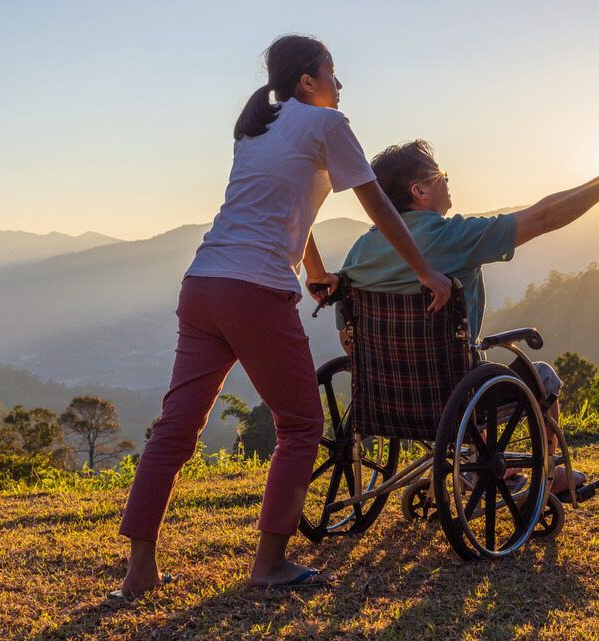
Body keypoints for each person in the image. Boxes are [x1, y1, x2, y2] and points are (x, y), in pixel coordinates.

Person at [113, 36, 451, 598]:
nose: (340, 87)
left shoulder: (258, 128)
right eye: (333, 74)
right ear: (307, 82)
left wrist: (313, 270)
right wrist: (426, 272)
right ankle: (270, 564)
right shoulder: (329, 126)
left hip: (203, 284)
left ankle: (139, 571)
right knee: (300, 425)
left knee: (174, 430)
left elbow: (288, 206)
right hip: (253, 292)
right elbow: (381, 207)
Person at [333, 140, 599, 496]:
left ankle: (473, 468)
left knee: (471, 376)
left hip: (384, 397)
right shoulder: (453, 237)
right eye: (441, 175)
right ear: (419, 191)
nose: (448, 182)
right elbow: (542, 217)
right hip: (453, 394)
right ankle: (549, 476)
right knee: (543, 377)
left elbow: (347, 329)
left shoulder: (361, 249)